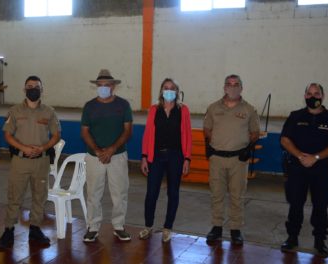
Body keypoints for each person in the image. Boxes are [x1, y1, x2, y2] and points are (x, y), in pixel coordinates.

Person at [0, 75, 61, 250]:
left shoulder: (49, 112)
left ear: (42, 90)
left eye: (37, 86)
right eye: (30, 86)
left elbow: (56, 135)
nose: (33, 89)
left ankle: (35, 228)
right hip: (20, 161)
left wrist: (43, 147)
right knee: (14, 196)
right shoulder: (15, 111)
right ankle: (8, 230)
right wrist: (23, 147)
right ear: (24, 90)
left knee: (39, 196)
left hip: (42, 161)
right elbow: (7, 135)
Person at [280, 83, 328, 258]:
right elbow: (285, 140)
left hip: (322, 171)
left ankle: (320, 241)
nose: (313, 96)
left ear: (323, 96)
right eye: (309, 93)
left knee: (321, 206)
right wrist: (300, 156)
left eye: (317, 93)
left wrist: (315, 158)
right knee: (295, 205)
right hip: (297, 169)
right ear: (305, 96)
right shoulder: (295, 116)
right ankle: (292, 238)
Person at [203, 74, 260, 245]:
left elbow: (255, 133)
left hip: (238, 160)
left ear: (241, 88)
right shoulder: (213, 108)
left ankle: (235, 229)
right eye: (229, 84)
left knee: (237, 195)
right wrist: (218, 144)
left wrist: (245, 148)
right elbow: (207, 129)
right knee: (216, 194)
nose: (232, 87)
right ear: (224, 87)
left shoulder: (249, 110)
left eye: (236, 84)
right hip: (217, 159)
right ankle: (217, 227)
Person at [81, 69, 133, 242]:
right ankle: (93, 227)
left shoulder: (123, 105)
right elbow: (85, 131)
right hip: (94, 157)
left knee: (120, 193)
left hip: (117, 156)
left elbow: (127, 131)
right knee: (93, 193)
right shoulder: (89, 106)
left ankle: (119, 226)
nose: (103, 88)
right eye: (100, 85)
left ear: (113, 87)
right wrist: (97, 150)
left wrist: (111, 149)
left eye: (107, 85)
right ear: (97, 87)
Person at [139, 78, 192, 243]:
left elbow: (188, 135)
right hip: (156, 156)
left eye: (172, 88)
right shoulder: (154, 110)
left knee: (173, 193)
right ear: (161, 91)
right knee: (151, 193)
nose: (169, 91)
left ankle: (167, 228)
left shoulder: (183, 110)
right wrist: (144, 157)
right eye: (166, 88)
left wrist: (187, 158)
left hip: (176, 156)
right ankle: (148, 226)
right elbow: (147, 134)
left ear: (177, 91)